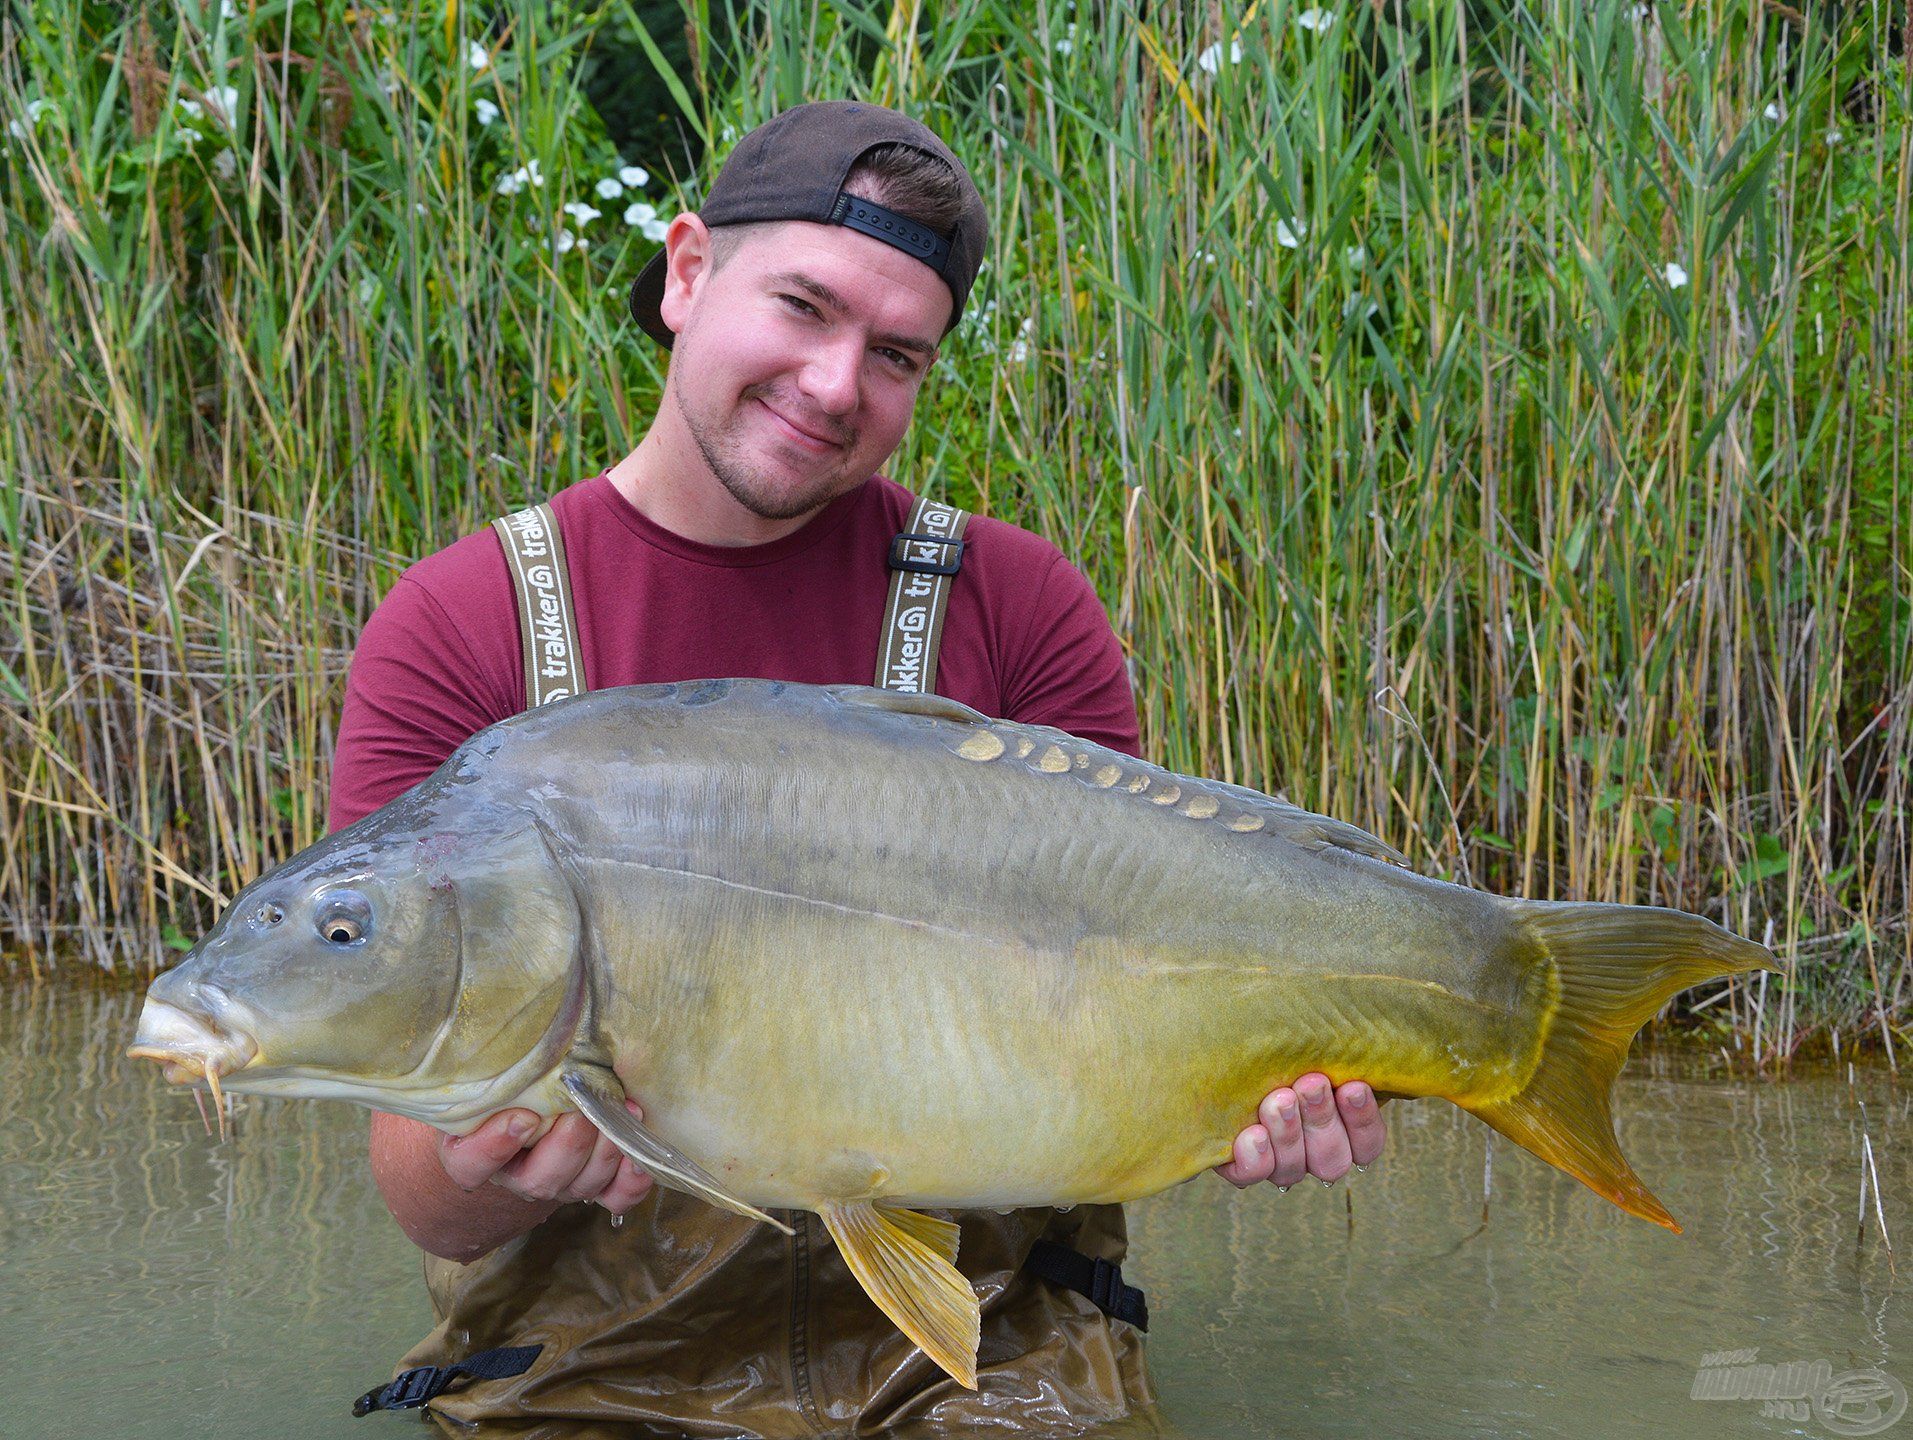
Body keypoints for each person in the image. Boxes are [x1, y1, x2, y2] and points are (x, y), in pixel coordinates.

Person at [328, 100, 1387, 1438]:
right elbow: (426, 1200)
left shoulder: (1013, 601)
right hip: (593, 1370)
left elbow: (1143, 971)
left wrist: (1262, 1104)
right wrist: (510, 1161)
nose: (836, 384)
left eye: (896, 354)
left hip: (993, 1354)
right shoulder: (466, 621)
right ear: (688, 270)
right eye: (802, 307)